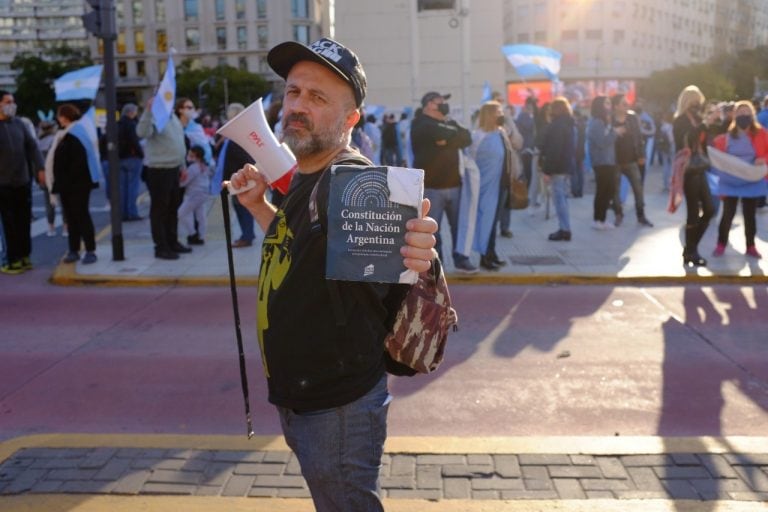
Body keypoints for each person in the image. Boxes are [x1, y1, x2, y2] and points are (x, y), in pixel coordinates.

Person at [227, 37, 437, 512]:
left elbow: (405, 268)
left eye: (317, 98)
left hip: (335, 407)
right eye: (294, 92)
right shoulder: (306, 177)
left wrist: (419, 252)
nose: (297, 106)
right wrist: (260, 207)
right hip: (304, 396)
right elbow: (298, 255)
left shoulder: (356, 185)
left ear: (350, 120)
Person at [411, 90, 474, 272]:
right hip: (432, 188)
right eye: (441, 101)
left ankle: (461, 259)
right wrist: (452, 136)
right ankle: (435, 266)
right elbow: (438, 132)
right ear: (430, 104)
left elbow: (467, 137)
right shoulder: (420, 124)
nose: (444, 104)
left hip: (455, 186)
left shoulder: (449, 122)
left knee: (459, 227)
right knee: (432, 230)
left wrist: (446, 139)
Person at [709, 100, 768, 259]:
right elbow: (715, 150)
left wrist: (763, 158)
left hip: (752, 180)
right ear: (735, 116)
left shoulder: (762, 134)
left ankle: (751, 246)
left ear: (752, 115)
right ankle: (721, 244)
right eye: (740, 113)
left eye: (746, 113)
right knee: (728, 213)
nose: (743, 116)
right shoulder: (727, 136)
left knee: (750, 215)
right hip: (731, 181)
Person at [136, 95, 189, 260]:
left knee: (173, 207)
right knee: (160, 210)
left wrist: (182, 166)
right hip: (159, 170)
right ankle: (161, 246)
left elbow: (179, 142)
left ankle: (172, 241)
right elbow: (142, 132)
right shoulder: (155, 116)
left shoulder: (171, 116)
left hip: (174, 168)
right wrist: (148, 111)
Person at [0, 90, 44, 274]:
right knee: (9, 223)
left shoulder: (19, 124)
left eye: (13, 101)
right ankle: (13, 259)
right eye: (8, 101)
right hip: (3, 183)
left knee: (24, 221)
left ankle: (25, 256)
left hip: (22, 180)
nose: (12, 105)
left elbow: (33, 146)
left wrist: (40, 168)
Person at [51, 104, 99, 265]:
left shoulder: (74, 134)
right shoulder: (68, 133)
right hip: (68, 185)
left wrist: (64, 181)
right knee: (71, 218)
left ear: (65, 117)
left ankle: (90, 250)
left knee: (81, 216)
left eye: (59, 115)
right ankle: (74, 249)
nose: (58, 119)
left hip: (76, 185)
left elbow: (77, 162)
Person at [470, 101, 511, 270]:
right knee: (486, 221)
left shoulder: (501, 132)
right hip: (485, 186)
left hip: (501, 184)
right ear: (489, 115)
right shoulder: (478, 136)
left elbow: (516, 145)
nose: (501, 114)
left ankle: (492, 254)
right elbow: (470, 160)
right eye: (498, 112)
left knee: (494, 222)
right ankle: (484, 257)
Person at [213, 102, 256, 248]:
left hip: (239, 179)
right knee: (240, 207)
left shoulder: (238, 137)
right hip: (237, 178)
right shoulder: (237, 134)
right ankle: (248, 234)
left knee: (242, 207)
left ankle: (247, 236)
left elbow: (246, 159)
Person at [611, 94, 653, 227]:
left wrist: (642, 155)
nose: (627, 105)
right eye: (623, 103)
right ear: (616, 106)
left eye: (627, 103)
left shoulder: (632, 117)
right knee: (615, 190)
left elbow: (639, 137)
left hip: (631, 160)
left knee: (638, 189)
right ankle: (618, 214)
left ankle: (641, 216)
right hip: (615, 161)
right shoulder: (610, 119)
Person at [539, 96, 575, 241]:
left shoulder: (557, 126)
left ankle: (564, 229)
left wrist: (547, 171)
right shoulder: (569, 124)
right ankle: (565, 227)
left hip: (558, 168)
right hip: (566, 166)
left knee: (559, 198)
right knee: (563, 198)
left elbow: (554, 150)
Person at [586, 96, 619, 230]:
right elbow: (602, 142)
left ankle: (603, 219)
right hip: (601, 162)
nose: (609, 106)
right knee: (602, 191)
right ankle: (597, 219)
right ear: (599, 105)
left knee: (609, 190)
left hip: (609, 161)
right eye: (606, 103)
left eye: (610, 103)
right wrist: (615, 133)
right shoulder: (596, 122)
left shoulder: (605, 121)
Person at [178, 145, 211, 245]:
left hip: (194, 194)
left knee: (181, 213)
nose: (189, 157)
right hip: (203, 193)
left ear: (197, 156)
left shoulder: (193, 168)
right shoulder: (204, 166)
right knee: (201, 216)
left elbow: (183, 182)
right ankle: (201, 236)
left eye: (191, 155)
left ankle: (192, 234)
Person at [117, 103, 144, 221]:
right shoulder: (132, 124)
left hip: (119, 158)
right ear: (131, 112)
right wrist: (141, 154)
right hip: (132, 158)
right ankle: (132, 212)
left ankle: (123, 213)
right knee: (133, 187)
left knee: (122, 188)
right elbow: (135, 140)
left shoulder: (117, 124)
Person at [37, 120, 61, 237]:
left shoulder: (38, 142)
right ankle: (66, 227)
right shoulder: (56, 140)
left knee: (48, 202)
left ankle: (50, 227)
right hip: (57, 174)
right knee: (63, 201)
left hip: (44, 176)